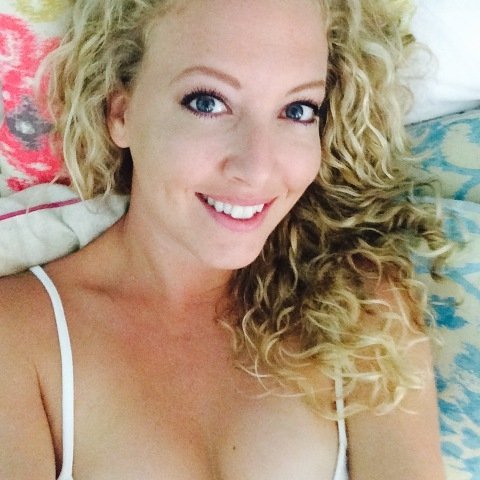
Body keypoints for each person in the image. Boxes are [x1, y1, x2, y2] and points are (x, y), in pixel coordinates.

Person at [0, 0, 449, 478]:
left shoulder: (364, 308)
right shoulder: (19, 335)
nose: (256, 169)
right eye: (207, 103)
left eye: (297, 110)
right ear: (121, 113)